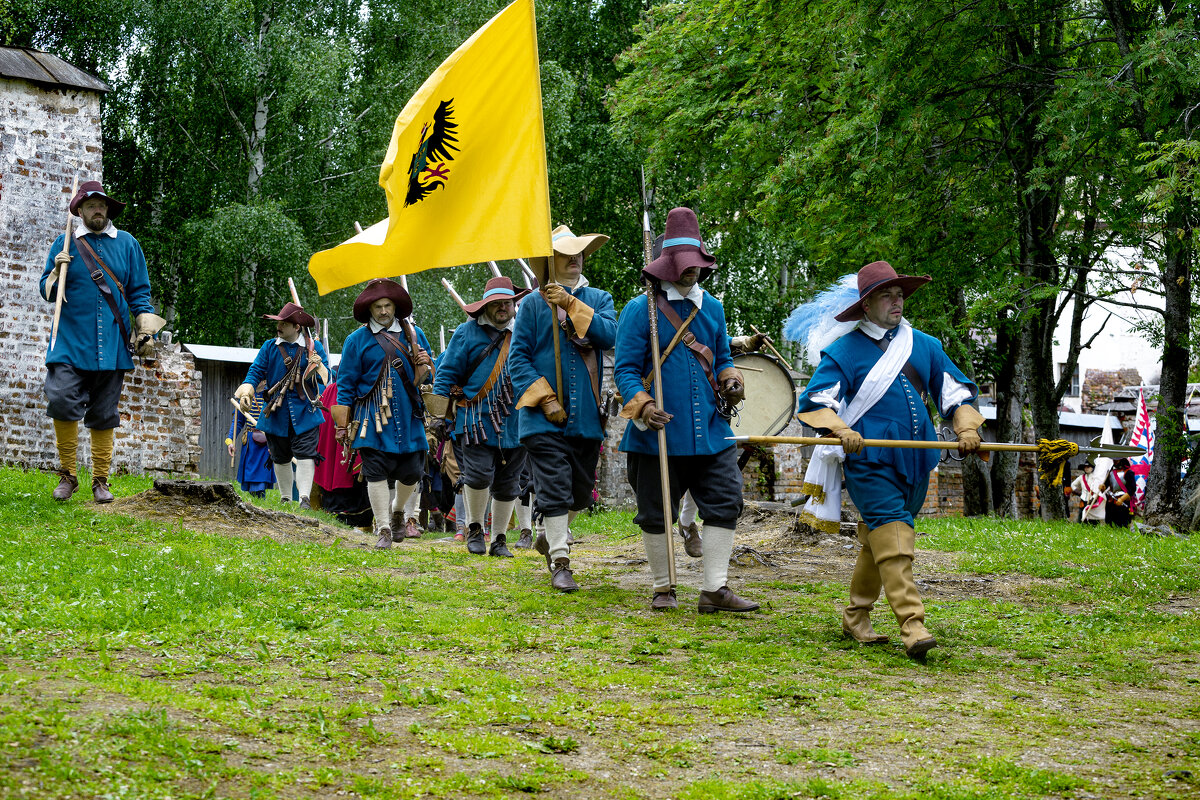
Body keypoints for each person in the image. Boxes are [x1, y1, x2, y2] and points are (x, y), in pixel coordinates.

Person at [794, 260, 983, 659]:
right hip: (868, 461)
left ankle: (856, 615)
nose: (897, 302)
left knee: (878, 539)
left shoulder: (925, 345)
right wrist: (840, 428)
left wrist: (967, 430)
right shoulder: (843, 350)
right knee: (896, 539)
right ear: (865, 304)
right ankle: (913, 625)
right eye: (887, 295)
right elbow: (817, 401)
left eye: (900, 295)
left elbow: (955, 394)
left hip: (917, 463)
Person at [614, 206, 759, 613]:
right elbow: (625, 369)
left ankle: (715, 590)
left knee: (726, 501)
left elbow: (723, 357)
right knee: (656, 511)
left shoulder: (712, 307)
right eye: (684, 266)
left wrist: (732, 380)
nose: (691, 273)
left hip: (711, 430)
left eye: (696, 266)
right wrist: (642, 406)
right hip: (658, 432)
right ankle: (664, 588)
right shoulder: (637, 310)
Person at [39, 180, 165, 503]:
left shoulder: (127, 245)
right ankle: (68, 475)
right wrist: (56, 271)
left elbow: (139, 293)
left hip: (112, 343)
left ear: (107, 209)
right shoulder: (64, 242)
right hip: (69, 343)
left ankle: (100, 481)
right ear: (79, 210)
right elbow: (45, 291)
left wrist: (146, 330)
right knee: (61, 398)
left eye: (102, 205)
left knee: (104, 413)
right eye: (91, 205)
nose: (98, 209)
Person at [509, 225, 618, 592]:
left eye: (579, 253)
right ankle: (560, 558)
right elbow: (518, 359)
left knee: (580, 493)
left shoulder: (598, 299)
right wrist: (546, 398)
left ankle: (548, 531)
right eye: (566, 254)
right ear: (550, 261)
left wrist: (571, 304)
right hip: (542, 418)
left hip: (586, 417)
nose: (575, 259)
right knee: (554, 487)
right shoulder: (531, 305)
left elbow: (609, 335)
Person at [430, 276, 531, 557]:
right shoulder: (466, 333)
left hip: (516, 420)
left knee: (510, 482)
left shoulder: (524, 331)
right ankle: (475, 529)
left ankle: (499, 539)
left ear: (513, 305)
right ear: (485, 306)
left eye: (507, 302)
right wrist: (439, 415)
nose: (502, 307)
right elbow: (446, 375)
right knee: (476, 477)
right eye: (496, 303)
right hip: (474, 419)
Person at [332, 279, 432, 549]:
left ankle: (398, 510)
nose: (384, 311)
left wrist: (425, 365)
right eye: (378, 306)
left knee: (413, 472)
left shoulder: (415, 333)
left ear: (395, 307)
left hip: (410, 415)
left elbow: (428, 374)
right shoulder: (356, 340)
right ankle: (384, 528)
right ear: (370, 309)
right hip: (370, 417)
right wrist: (343, 425)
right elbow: (346, 384)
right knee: (375, 472)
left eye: (388, 305)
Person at [235, 302, 329, 508]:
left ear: (297, 327)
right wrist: (248, 388)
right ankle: (286, 498)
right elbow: (256, 370)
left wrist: (318, 364)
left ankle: (304, 498)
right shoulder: (270, 346)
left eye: (285, 323)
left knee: (305, 454)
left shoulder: (315, 347)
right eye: (279, 322)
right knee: (280, 456)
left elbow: (327, 379)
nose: (279, 327)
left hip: (306, 411)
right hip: (276, 412)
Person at [226, 390, 274, 497]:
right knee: (251, 476)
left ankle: (260, 500)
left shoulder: (271, 394)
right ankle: (255, 500)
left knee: (262, 474)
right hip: (250, 442)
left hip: (267, 441)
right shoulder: (245, 397)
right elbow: (237, 422)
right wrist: (230, 440)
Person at [1069, 461, 1105, 525]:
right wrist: (1079, 493)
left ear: (1092, 468)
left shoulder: (1095, 478)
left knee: (1092, 519)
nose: (1086, 468)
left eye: (1088, 467)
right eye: (1085, 467)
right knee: (1081, 518)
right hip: (1083, 500)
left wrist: (1093, 499)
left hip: (1092, 500)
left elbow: (1097, 490)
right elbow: (1073, 485)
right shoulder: (1081, 477)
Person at [1105, 458, 1136, 527]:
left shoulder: (1128, 473)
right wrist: (1102, 486)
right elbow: (1106, 485)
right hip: (1111, 500)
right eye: (1114, 460)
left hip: (1123, 501)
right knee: (1110, 522)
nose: (1115, 461)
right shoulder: (1110, 473)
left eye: (1117, 460)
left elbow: (1132, 489)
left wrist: (1122, 499)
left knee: (1122, 522)